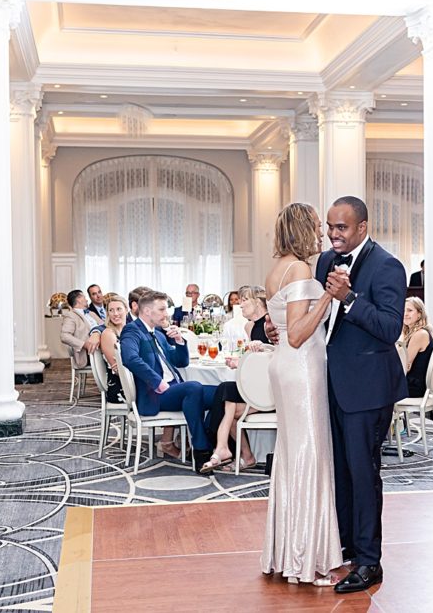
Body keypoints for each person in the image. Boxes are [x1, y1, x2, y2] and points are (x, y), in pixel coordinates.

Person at [316, 195, 406, 594]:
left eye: (342, 228)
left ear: (362, 228)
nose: (334, 234)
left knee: (364, 473)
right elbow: (325, 323)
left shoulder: (388, 266)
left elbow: (389, 329)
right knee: (340, 471)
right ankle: (349, 547)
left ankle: (370, 562)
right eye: (331, 227)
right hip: (331, 383)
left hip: (369, 388)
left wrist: (349, 299)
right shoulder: (323, 262)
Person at [260, 202, 341, 586]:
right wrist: (328, 297)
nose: (322, 233)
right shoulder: (301, 269)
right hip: (300, 368)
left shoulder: (276, 269)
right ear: (302, 230)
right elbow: (295, 333)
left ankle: (287, 551)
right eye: (315, 225)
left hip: (284, 368)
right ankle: (306, 557)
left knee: (293, 456)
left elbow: (277, 323)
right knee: (309, 453)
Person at [119, 290, 215, 472]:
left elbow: (180, 361)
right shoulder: (132, 330)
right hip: (154, 395)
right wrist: (157, 382)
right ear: (147, 311)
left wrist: (179, 340)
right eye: (162, 309)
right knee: (193, 388)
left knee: (223, 392)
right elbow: (129, 358)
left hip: (173, 389)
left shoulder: (159, 333)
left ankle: (218, 448)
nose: (167, 313)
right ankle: (202, 452)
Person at [199, 285, 270, 473]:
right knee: (227, 403)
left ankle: (220, 447)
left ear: (258, 302)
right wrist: (241, 361)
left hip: (271, 392)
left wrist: (261, 349)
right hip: (255, 389)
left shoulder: (270, 324)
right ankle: (235, 452)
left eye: (245, 299)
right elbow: (254, 362)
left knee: (225, 393)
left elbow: (278, 357)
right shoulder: (249, 327)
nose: (240, 304)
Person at [401, 297, 433, 399]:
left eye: (410, 310)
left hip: (414, 387)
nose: (405, 314)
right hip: (414, 384)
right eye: (403, 310)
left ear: (419, 314)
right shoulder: (415, 333)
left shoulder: (419, 334)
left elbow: (406, 366)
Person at [60, 289, 101, 368]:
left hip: (101, 345)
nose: (86, 300)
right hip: (88, 353)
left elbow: (104, 326)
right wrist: (84, 344)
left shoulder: (91, 313)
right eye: (84, 297)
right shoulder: (70, 316)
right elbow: (64, 336)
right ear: (78, 299)